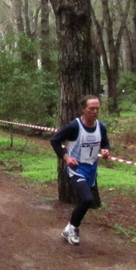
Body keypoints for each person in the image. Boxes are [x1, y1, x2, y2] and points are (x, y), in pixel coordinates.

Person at [50, 95, 110, 246]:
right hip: (76, 169)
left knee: (85, 200)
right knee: (87, 199)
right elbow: (54, 141)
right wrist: (66, 157)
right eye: (91, 108)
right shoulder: (74, 126)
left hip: (91, 169)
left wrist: (105, 150)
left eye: (97, 108)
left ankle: (68, 228)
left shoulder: (100, 127)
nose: (95, 111)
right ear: (83, 109)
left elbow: (105, 144)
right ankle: (74, 228)